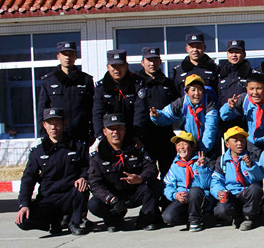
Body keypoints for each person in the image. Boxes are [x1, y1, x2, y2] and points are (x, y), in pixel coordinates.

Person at [15, 108, 89, 235]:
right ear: (44, 125)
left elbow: (88, 167)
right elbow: (28, 179)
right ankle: (52, 223)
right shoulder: (38, 152)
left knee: (82, 188)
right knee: (23, 221)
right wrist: (24, 204)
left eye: (57, 123)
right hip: (48, 199)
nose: (53, 127)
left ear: (64, 123)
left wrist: (83, 177)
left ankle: (74, 222)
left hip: (69, 196)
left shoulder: (77, 147)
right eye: (50, 123)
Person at [88, 114, 162, 231]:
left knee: (155, 185)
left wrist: (140, 178)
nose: (115, 132)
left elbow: (151, 168)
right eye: (111, 129)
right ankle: (114, 220)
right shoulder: (98, 156)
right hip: (114, 197)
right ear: (104, 131)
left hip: (135, 193)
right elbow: (95, 184)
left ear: (125, 130)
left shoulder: (136, 148)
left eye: (119, 128)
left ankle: (145, 219)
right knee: (94, 204)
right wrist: (111, 199)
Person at [37, 41, 94, 144]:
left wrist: (93, 133)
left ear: (76, 57)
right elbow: (42, 110)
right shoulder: (48, 81)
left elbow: (92, 109)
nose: (67, 57)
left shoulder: (86, 80)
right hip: (57, 136)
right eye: (64, 54)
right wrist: (43, 134)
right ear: (58, 56)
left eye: (71, 54)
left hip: (81, 135)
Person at [134, 46, 179, 176]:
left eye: (155, 60)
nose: (152, 64)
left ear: (160, 61)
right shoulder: (136, 84)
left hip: (165, 135)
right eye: (149, 60)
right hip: (144, 137)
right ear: (142, 62)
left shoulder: (168, 83)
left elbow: (177, 108)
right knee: (147, 174)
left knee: (169, 173)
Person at [210, 126, 264, 231]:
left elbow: (259, 177)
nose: (239, 143)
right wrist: (219, 191)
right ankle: (237, 216)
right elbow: (216, 181)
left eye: (242, 140)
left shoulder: (251, 156)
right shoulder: (222, 161)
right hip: (231, 193)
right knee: (221, 210)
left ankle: (249, 217)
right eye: (235, 141)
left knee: (255, 189)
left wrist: (251, 166)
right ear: (227, 144)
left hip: (246, 192)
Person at [219, 72, 264, 155]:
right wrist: (229, 107)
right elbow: (224, 116)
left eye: (259, 88)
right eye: (251, 89)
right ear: (247, 89)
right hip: (252, 143)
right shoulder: (244, 99)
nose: (255, 93)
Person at [151, 75, 219, 157]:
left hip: (209, 147)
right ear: (186, 92)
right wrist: (157, 116)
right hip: (189, 147)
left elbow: (211, 127)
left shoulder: (209, 103)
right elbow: (165, 116)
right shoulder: (181, 103)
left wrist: (204, 149)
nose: (197, 93)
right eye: (193, 90)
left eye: (200, 89)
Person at [161, 132, 215, 231]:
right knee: (168, 217)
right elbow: (167, 185)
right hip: (184, 198)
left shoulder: (202, 161)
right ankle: (190, 217)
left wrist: (202, 168)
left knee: (194, 191)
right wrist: (175, 195)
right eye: (178, 145)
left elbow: (207, 184)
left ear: (193, 146)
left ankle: (195, 220)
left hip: (200, 197)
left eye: (185, 144)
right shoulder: (175, 165)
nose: (181, 147)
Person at [92, 49, 138, 143]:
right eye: (114, 66)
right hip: (109, 137)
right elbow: (97, 114)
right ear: (108, 67)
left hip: (132, 135)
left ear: (126, 66)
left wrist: (136, 136)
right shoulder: (101, 88)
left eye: (120, 66)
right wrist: (101, 137)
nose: (117, 70)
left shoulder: (136, 85)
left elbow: (140, 112)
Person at [172, 33, 219, 97]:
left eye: (198, 47)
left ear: (204, 48)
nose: (195, 50)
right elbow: (175, 95)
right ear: (186, 49)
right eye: (191, 47)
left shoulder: (214, 69)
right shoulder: (179, 71)